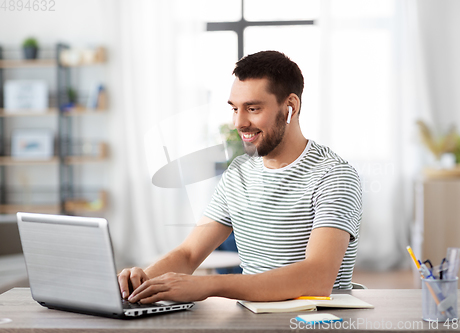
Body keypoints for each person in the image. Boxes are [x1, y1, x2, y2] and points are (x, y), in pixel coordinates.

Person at [118, 50, 362, 304]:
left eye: (252, 108)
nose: (239, 122)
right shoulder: (239, 173)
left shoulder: (334, 176)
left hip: (316, 322)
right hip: (252, 320)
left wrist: (208, 285)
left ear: (291, 106)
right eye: (235, 109)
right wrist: (138, 283)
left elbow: (317, 278)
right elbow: (189, 254)